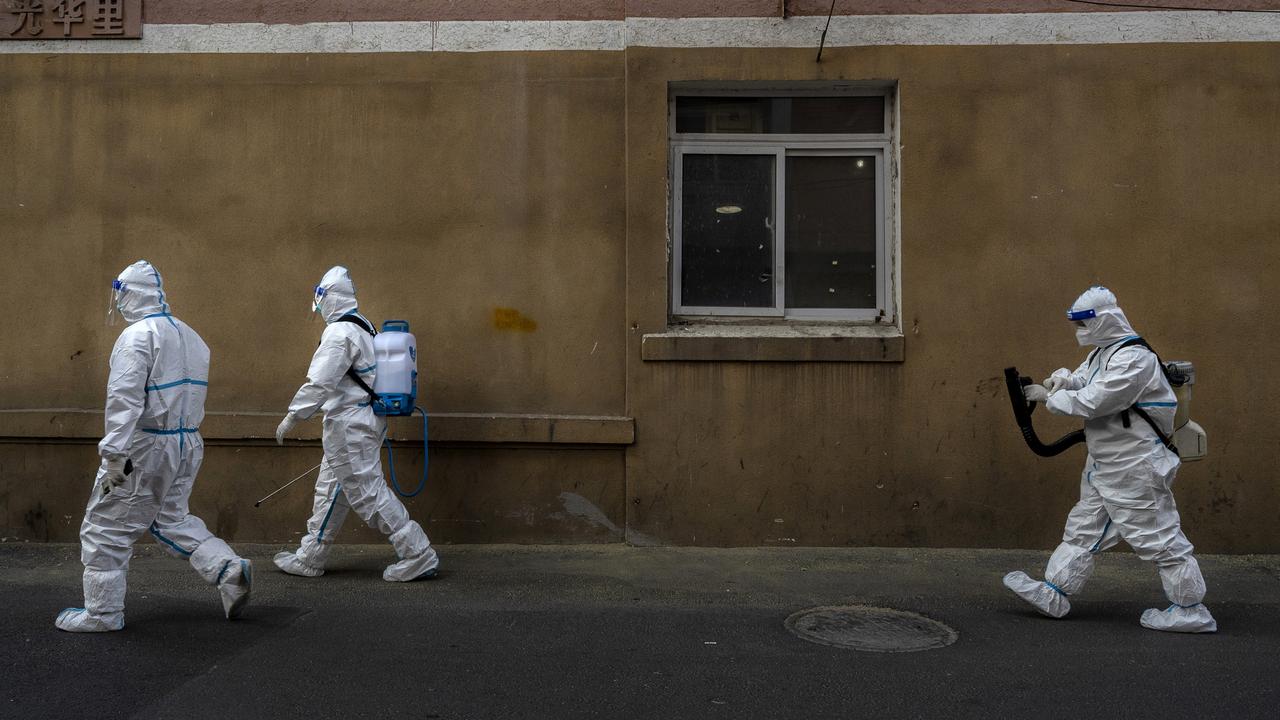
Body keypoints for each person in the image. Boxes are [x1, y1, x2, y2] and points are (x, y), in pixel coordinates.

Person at [1004, 286, 1215, 633]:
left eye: (1085, 323)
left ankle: (1191, 609)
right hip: (1106, 463)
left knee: (1159, 538)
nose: (1079, 331)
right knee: (1083, 529)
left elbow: (1096, 400)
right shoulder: (1105, 352)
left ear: (1104, 320)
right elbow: (1084, 380)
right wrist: (1062, 381)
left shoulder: (1135, 359)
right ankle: (1055, 592)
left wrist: (1049, 399)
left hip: (1135, 467)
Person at [56, 261, 251, 632]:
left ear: (127, 293)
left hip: (145, 446)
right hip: (187, 442)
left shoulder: (137, 336)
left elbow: (124, 399)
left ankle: (103, 613)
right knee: (171, 518)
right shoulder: (192, 336)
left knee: (105, 527)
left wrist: (114, 454)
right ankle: (228, 569)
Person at [272, 266, 439, 581]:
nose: (320, 310)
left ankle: (418, 553)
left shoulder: (340, 333)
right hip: (361, 420)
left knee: (368, 491)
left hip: (350, 425)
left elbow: (320, 381)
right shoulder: (365, 326)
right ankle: (312, 555)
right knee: (331, 489)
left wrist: (293, 415)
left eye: (321, 303)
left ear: (329, 299)